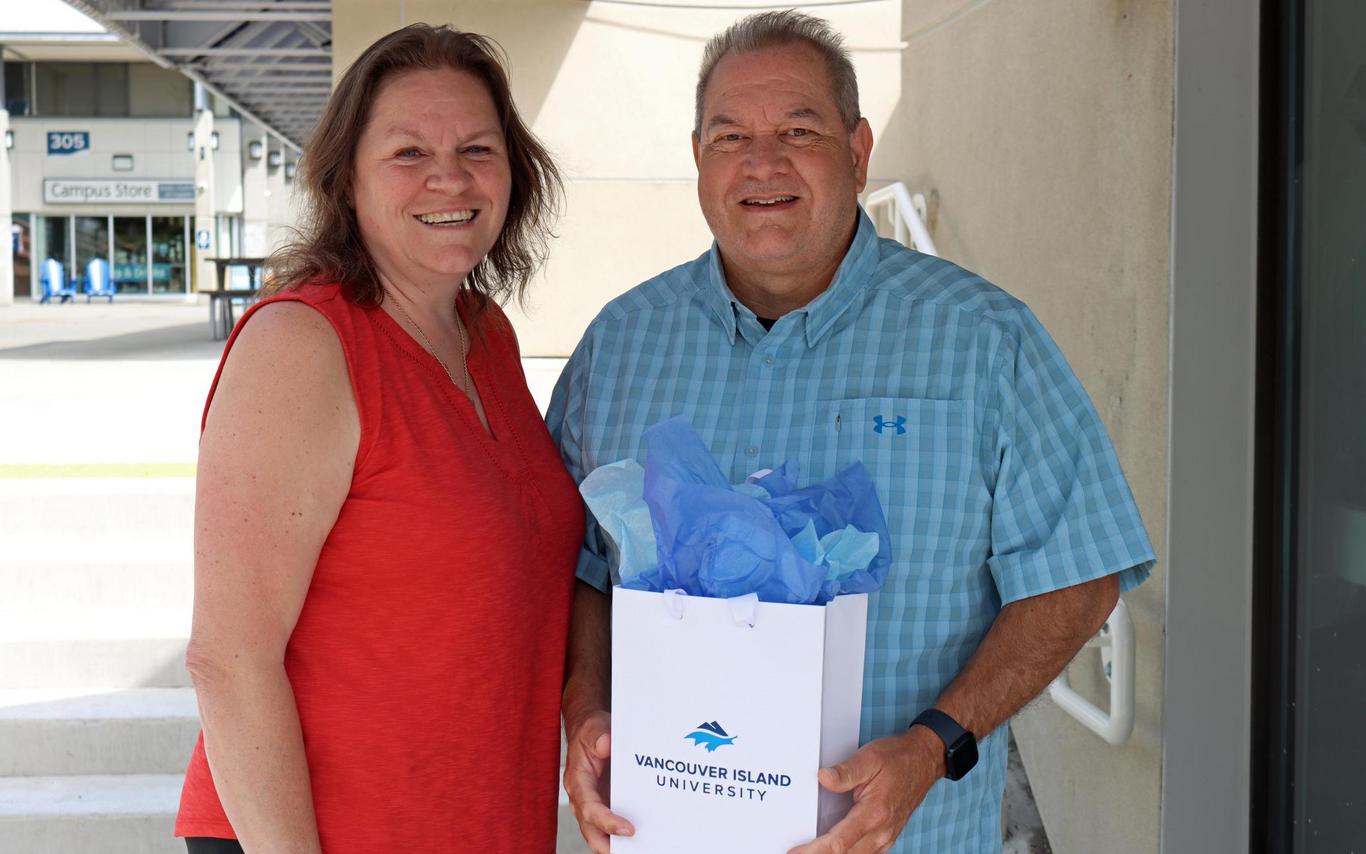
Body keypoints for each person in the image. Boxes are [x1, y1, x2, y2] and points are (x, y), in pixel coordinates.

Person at [549, 11, 1155, 854]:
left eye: (799, 131)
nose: (763, 163)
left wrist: (935, 744)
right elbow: (579, 568)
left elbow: (1078, 574)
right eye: (730, 137)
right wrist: (584, 711)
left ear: (859, 151)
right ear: (698, 158)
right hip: (668, 833)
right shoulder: (620, 345)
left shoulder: (983, 341)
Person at [174, 24, 581, 854]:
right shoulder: (302, 345)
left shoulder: (484, 333)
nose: (449, 177)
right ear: (347, 181)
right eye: (408, 153)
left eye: (477, 148)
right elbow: (229, 659)